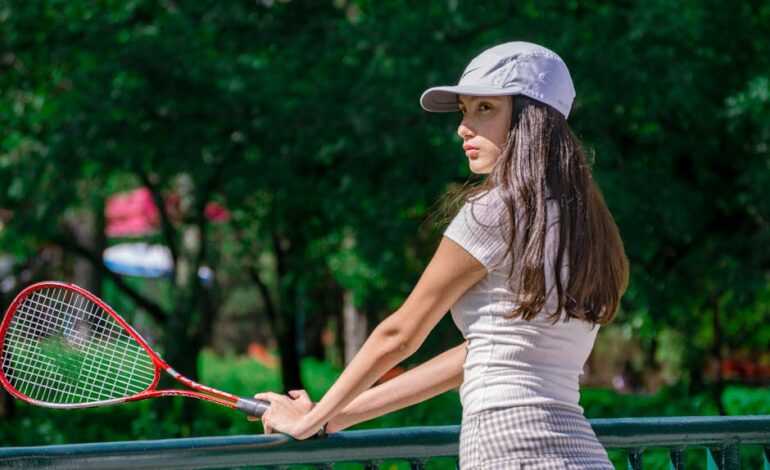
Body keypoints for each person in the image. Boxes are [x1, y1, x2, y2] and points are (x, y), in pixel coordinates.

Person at [252, 41, 629, 469]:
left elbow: (400, 335)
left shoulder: (494, 210)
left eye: (484, 108)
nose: (463, 128)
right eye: (464, 110)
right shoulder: (585, 225)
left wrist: (306, 422)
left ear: (531, 119)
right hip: (580, 452)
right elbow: (475, 356)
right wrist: (333, 415)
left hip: (513, 447)